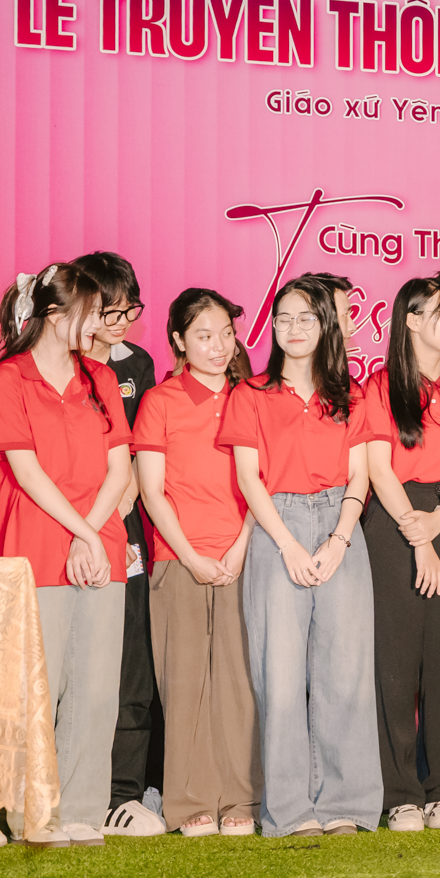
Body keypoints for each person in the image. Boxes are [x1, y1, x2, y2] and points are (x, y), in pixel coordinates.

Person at [222, 276, 377, 836]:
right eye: (283, 318)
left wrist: (339, 540)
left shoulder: (350, 395)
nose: (292, 328)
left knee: (347, 670)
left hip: (341, 524)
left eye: (306, 317)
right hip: (276, 523)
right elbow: (248, 477)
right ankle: (288, 811)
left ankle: (347, 804)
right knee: (280, 675)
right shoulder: (251, 394)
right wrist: (287, 543)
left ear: (326, 325)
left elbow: (360, 476)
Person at [0, 263, 132, 847]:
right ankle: (33, 812)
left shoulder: (101, 377)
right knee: (39, 686)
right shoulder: (9, 378)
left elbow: (119, 468)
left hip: (99, 546)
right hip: (37, 543)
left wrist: (90, 535)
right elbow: (26, 471)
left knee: (96, 687)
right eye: (92, 313)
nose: (100, 324)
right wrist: (81, 533)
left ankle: (83, 810)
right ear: (52, 313)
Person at [362, 278, 440, 832]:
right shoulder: (380, 385)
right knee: (395, 665)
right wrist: (418, 537)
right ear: (411, 320)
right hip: (395, 521)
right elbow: (377, 466)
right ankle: (399, 794)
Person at [134, 289, 259, 837]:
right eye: (204, 336)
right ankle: (189, 803)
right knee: (184, 683)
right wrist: (189, 555)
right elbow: (152, 491)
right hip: (178, 558)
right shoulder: (159, 401)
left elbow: (262, 483)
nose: (218, 346)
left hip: (243, 557)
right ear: (179, 341)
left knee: (239, 683)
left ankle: (241, 798)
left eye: (226, 334)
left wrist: (240, 545)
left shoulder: (251, 397)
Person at [73, 251, 166, 838]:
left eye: (130, 310)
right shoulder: (58, 366)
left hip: (128, 525)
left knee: (134, 659)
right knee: (79, 661)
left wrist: (128, 491)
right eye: (110, 312)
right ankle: (70, 788)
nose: (122, 323)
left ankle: (124, 792)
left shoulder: (138, 363)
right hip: (73, 518)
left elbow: (142, 448)